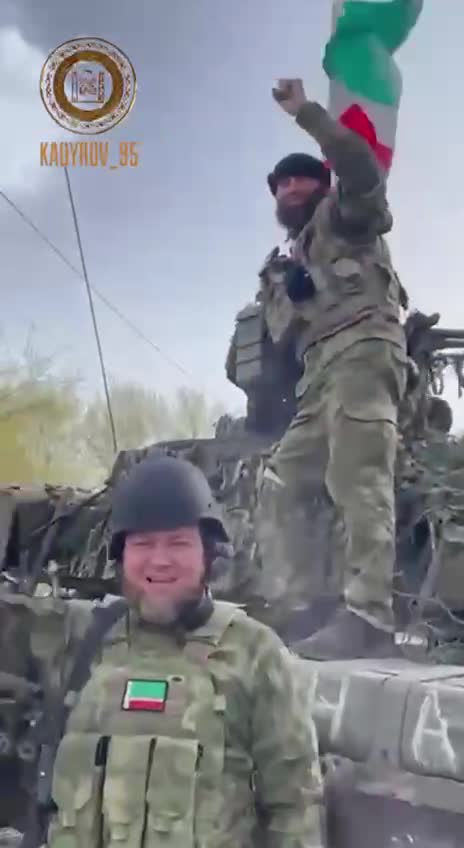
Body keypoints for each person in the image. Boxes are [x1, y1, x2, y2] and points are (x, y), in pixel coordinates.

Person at [46, 454, 325, 848]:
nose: (160, 560)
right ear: (122, 557)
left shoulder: (256, 654)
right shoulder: (84, 642)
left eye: (178, 543)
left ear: (209, 555)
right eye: (143, 543)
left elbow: (295, 810)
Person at [255, 78, 409, 660]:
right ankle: (300, 606)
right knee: (280, 481)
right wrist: (289, 287)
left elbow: (361, 167)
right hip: (317, 375)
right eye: (282, 183)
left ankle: (368, 615)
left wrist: (306, 114)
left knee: (357, 477)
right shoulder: (285, 258)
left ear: (321, 185)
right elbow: (275, 341)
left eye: (301, 178)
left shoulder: (344, 217)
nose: (291, 188)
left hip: (365, 350)